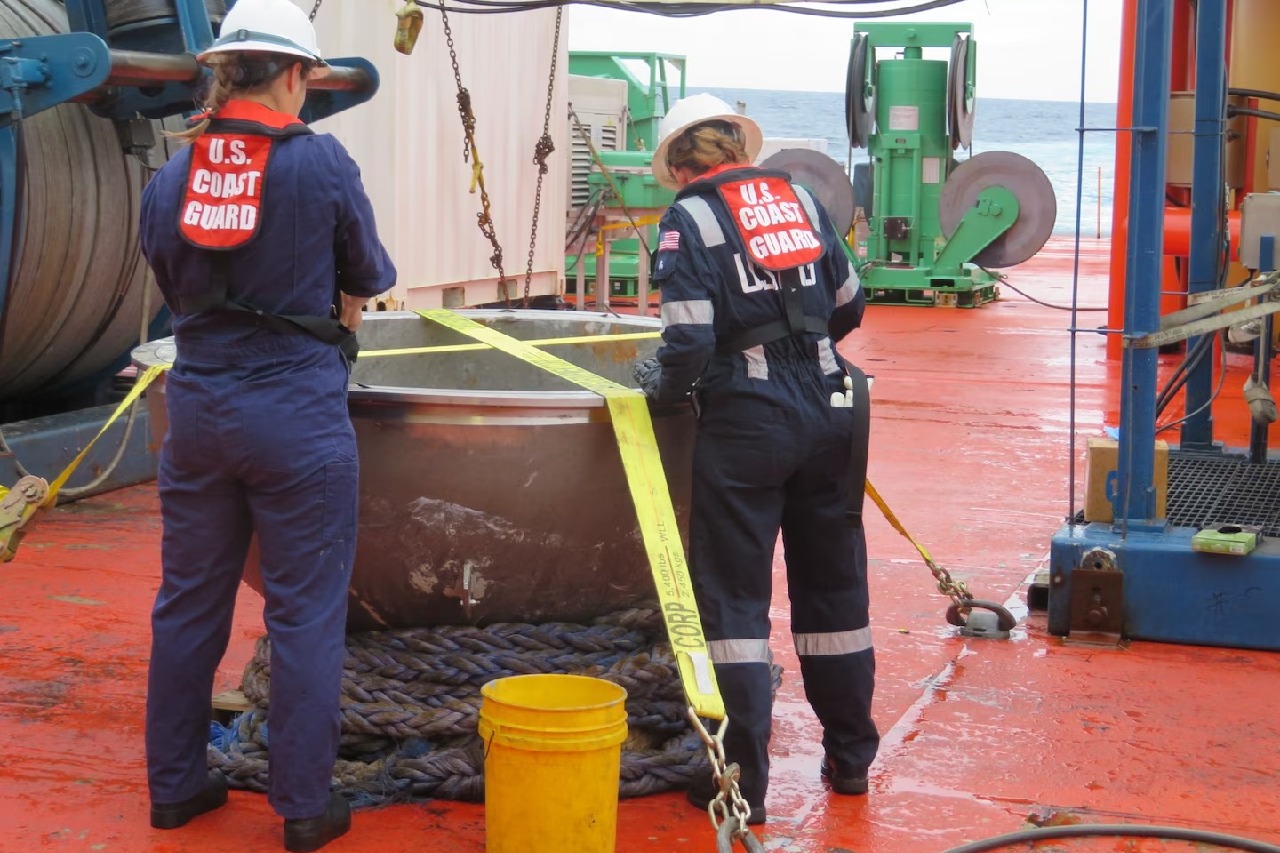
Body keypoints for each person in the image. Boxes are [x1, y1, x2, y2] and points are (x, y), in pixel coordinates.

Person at [137, 0, 395, 849]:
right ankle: (301, 807)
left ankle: (175, 788)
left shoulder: (171, 178)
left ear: (221, 71)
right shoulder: (320, 164)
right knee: (304, 616)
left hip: (200, 412)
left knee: (187, 606)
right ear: (295, 75)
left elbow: (172, 278)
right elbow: (368, 272)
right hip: (297, 417)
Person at [633, 93, 878, 824]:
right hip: (835, 413)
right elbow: (850, 305)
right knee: (837, 597)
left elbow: (686, 341)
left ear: (681, 167)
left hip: (749, 423)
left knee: (736, 605)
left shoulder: (690, 218)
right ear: (740, 146)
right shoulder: (799, 198)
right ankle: (853, 762)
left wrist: (658, 394)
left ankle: (743, 789)